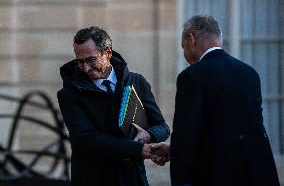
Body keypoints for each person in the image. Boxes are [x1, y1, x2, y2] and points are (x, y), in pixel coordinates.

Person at [152, 14, 280, 186]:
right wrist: (172, 149)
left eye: (183, 47)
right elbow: (232, 129)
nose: (184, 53)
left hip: (216, 175)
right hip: (257, 172)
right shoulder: (249, 73)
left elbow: (187, 135)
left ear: (191, 39)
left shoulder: (192, 76)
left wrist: (181, 180)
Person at [57, 26, 170, 186]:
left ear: (108, 53)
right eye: (80, 62)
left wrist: (149, 136)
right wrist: (138, 150)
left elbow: (162, 126)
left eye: (91, 60)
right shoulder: (69, 94)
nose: (86, 68)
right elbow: (86, 140)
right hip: (94, 179)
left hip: (133, 178)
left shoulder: (136, 82)